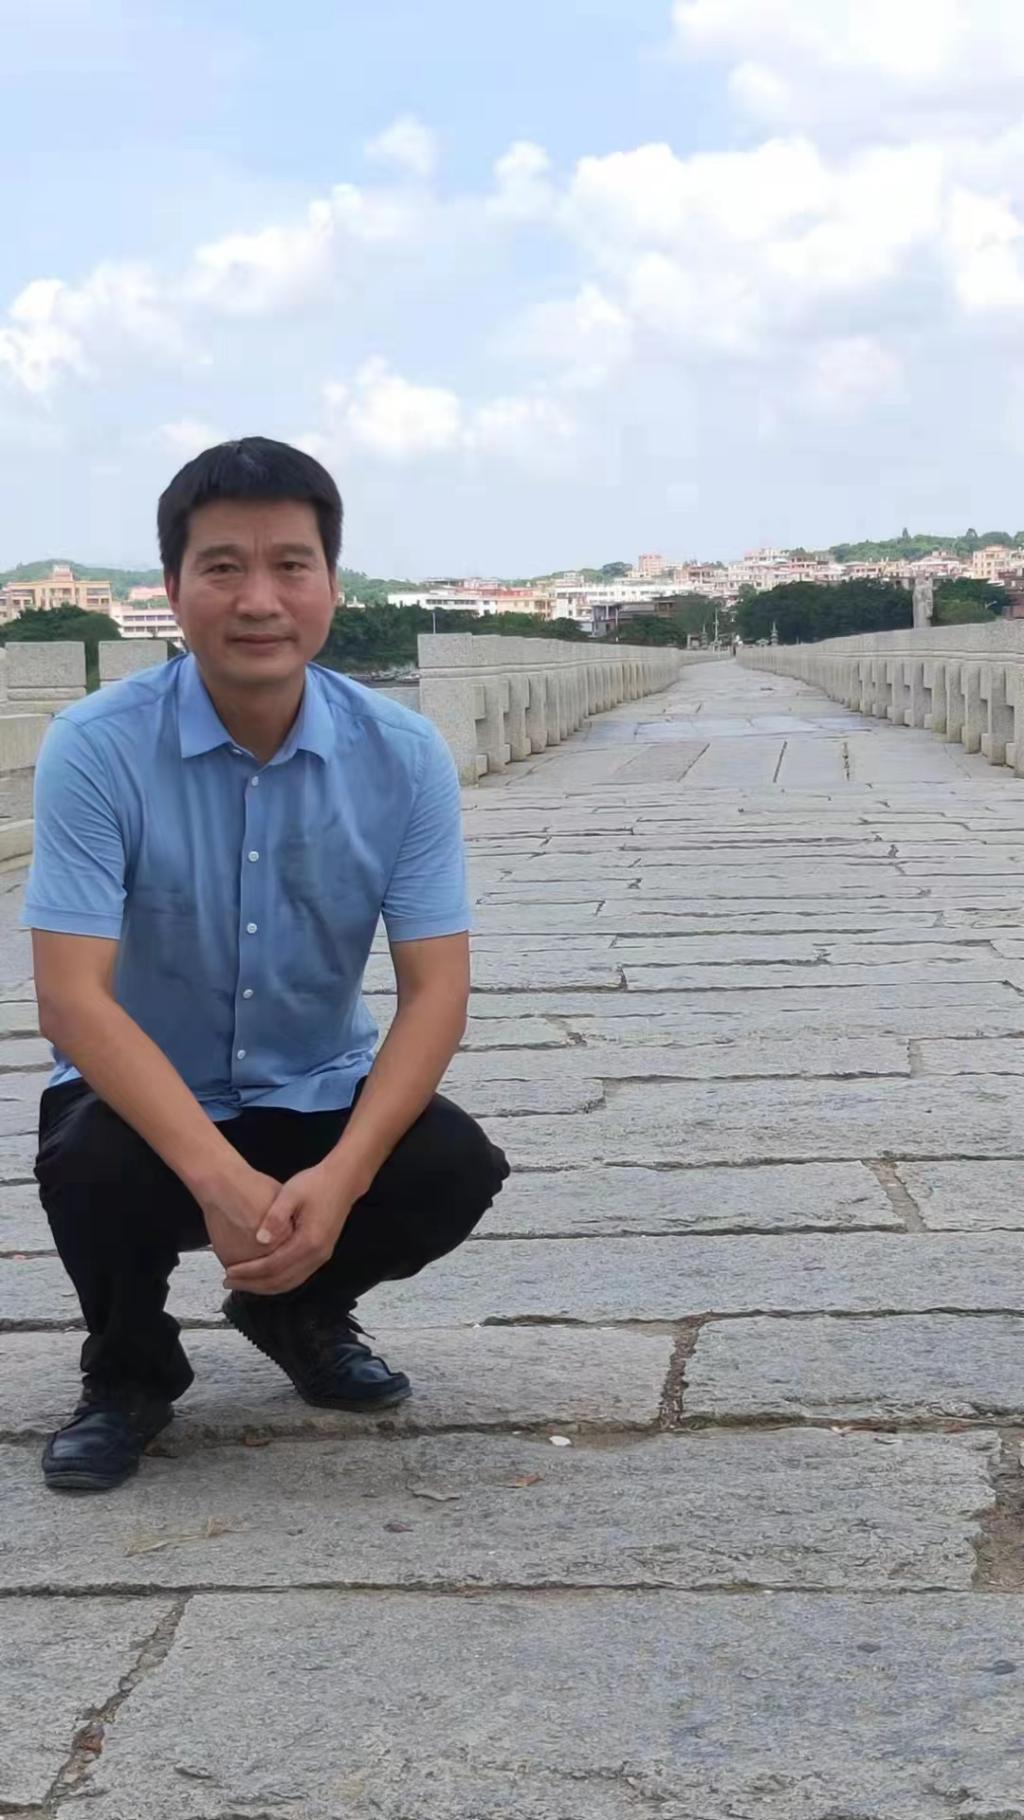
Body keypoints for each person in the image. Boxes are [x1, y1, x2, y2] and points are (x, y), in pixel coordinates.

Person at [24, 436, 509, 1493]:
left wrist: (341, 1178)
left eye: (291, 565)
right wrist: (216, 1176)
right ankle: (128, 1372)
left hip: (315, 1086)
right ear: (172, 588)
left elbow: (436, 990)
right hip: (149, 1101)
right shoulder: (96, 747)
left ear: (332, 583)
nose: (258, 600)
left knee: (453, 1164)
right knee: (90, 1159)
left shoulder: (402, 755)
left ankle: (296, 1308)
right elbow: (71, 999)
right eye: (222, 567)